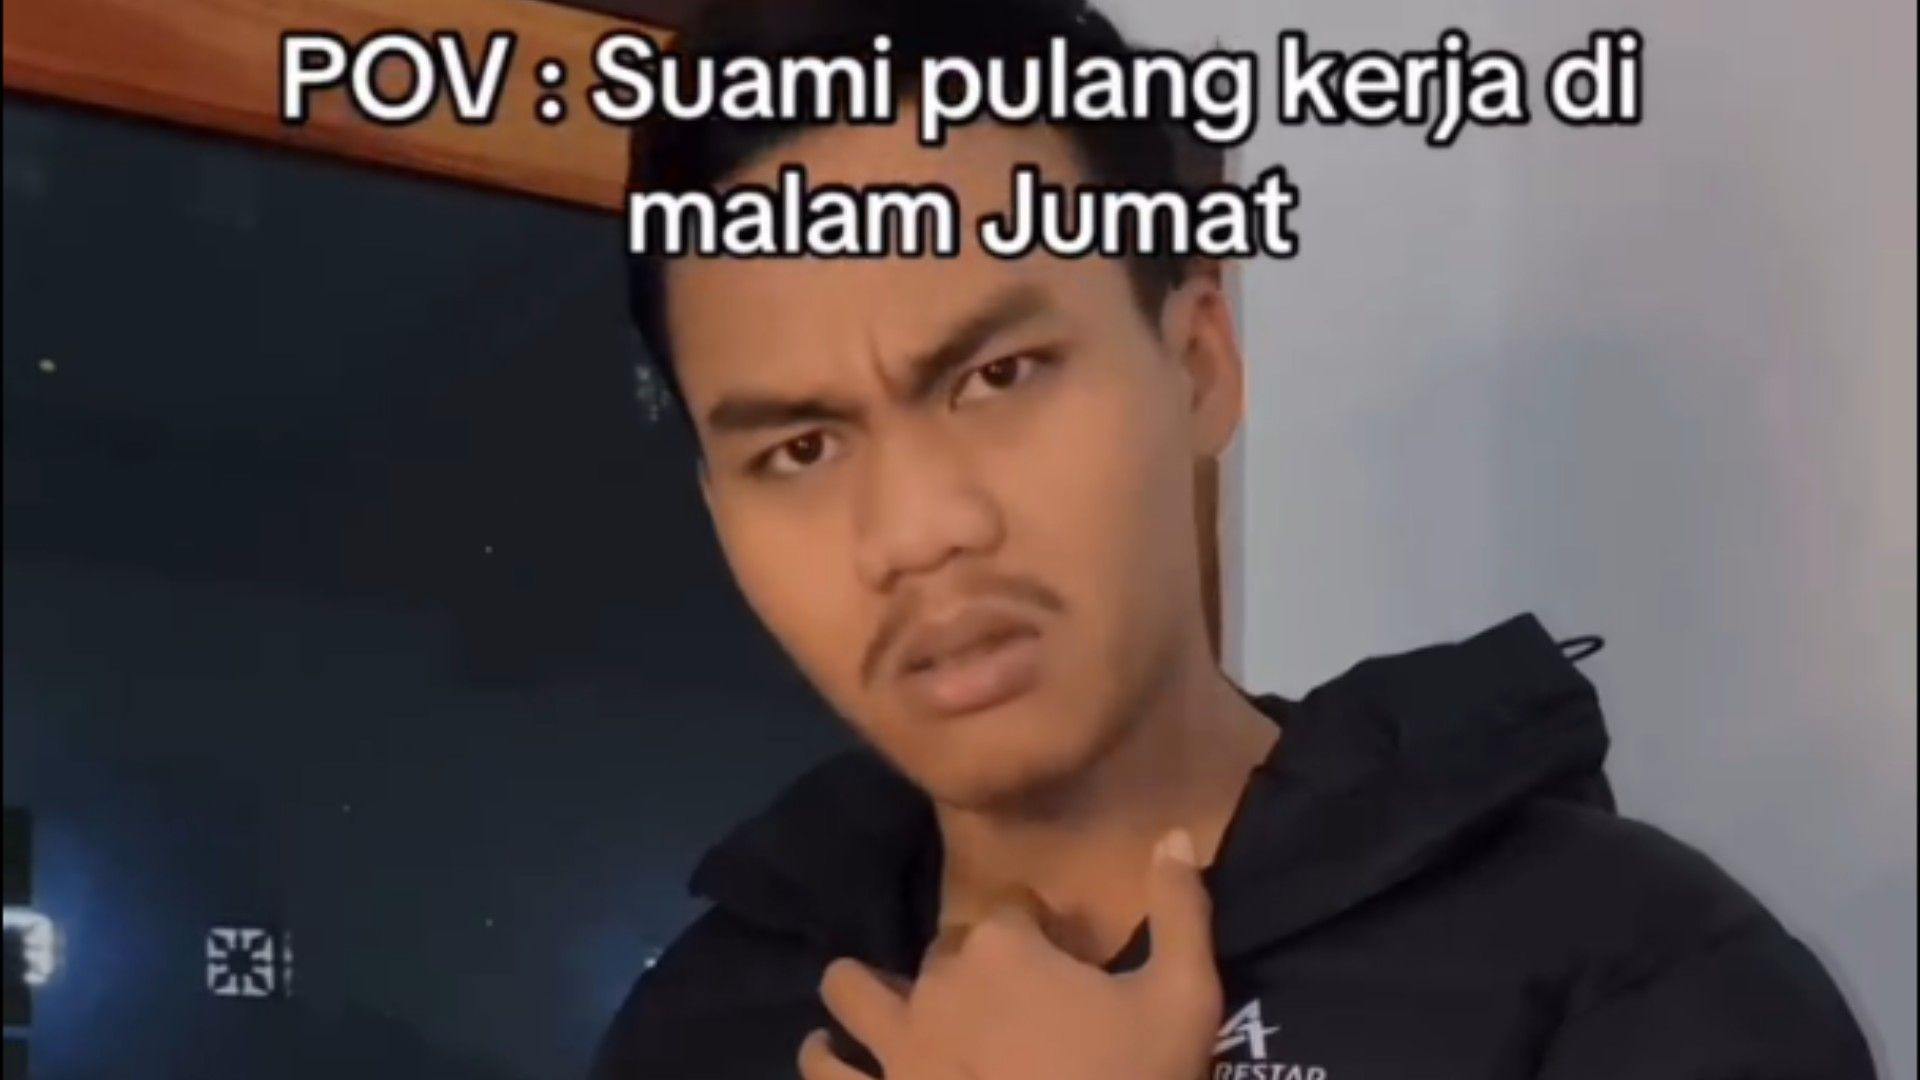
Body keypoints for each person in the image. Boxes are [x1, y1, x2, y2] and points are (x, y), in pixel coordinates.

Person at [591, 1, 1874, 1077]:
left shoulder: (1634, 972)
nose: (919, 530)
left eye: (999, 374)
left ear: (1200, 362)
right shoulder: (694, 1037)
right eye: (801, 449)